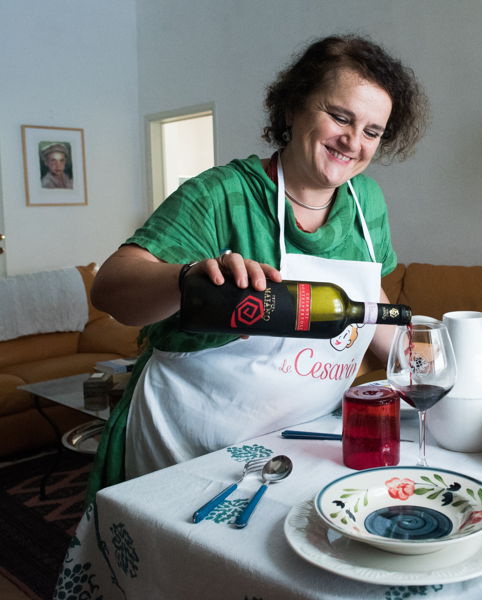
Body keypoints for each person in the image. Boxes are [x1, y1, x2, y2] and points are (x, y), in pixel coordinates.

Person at [86, 34, 428, 501]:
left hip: (298, 448)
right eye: (340, 117)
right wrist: (186, 278)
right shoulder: (222, 194)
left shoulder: (365, 202)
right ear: (292, 109)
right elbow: (109, 289)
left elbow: (372, 305)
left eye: (372, 131)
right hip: (191, 446)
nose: (353, 142)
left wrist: (426, 362)